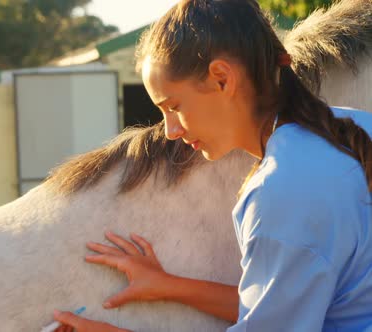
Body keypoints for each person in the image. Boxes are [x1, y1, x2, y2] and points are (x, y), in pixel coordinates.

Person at [51, 0, 372, 331]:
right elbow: (283, 302)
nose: (171, 131)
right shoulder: (358, 129)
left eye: (173, 106)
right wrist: (168, 286)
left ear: (222, 78)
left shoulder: (279, 192)